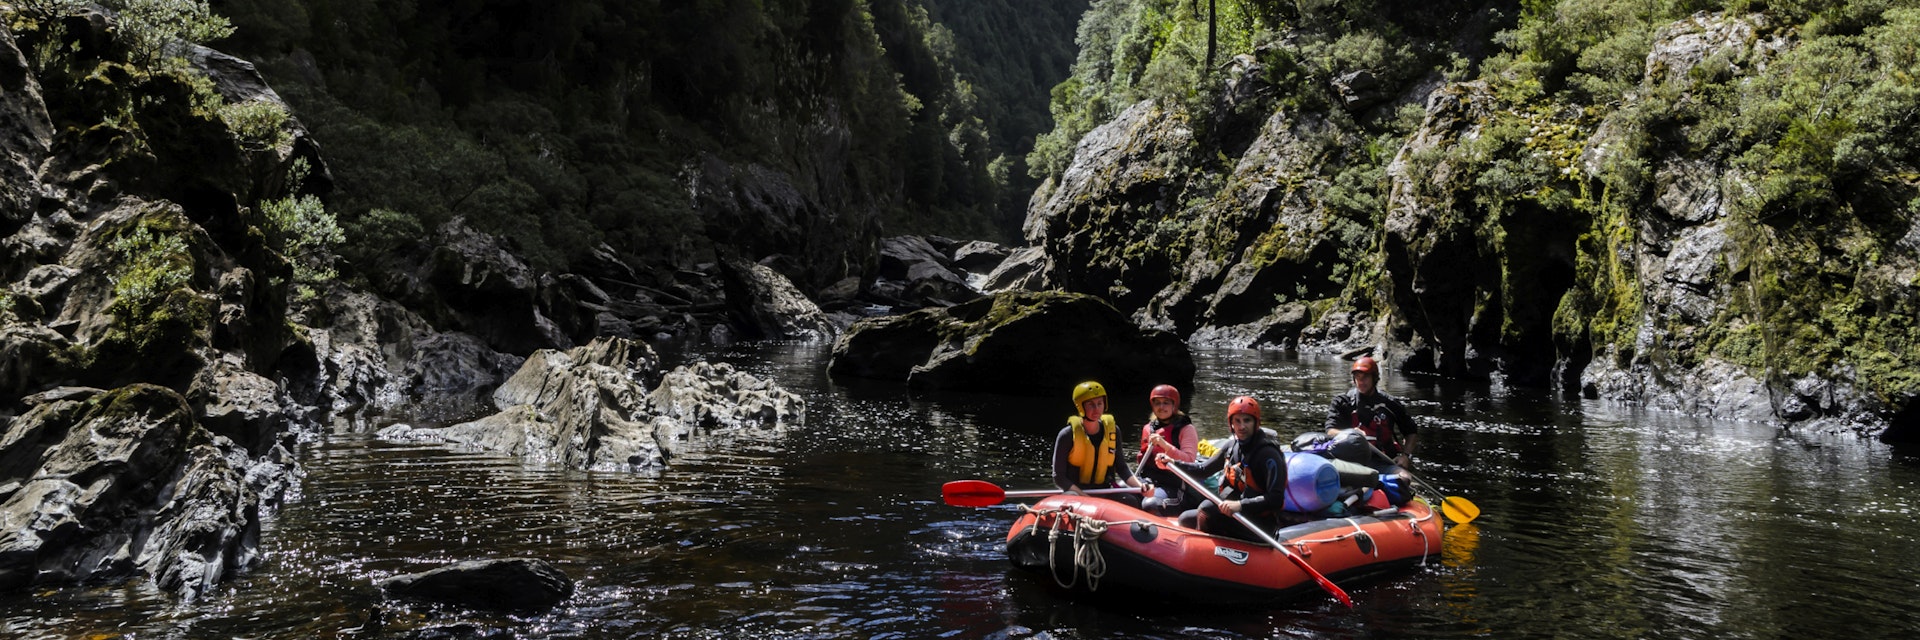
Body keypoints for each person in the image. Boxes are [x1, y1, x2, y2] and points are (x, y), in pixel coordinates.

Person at [1162, 396, 1286, 540]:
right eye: (1237, 421)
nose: (1241, 427)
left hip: (1260, 524)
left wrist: (1240, 505)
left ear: (1256, 423)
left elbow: (1276, 499)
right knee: (1185, 518)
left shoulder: (1268, 454)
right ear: (1231, 423)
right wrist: (1173, 463)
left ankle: (1204, 554)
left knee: (1207, 509)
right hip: (1236, 515)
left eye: (1247, 420)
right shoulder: (1231, 446)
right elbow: (1203, 470)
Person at [1324, 356, 1419, 488]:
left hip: (1382, 461)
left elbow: (1411, 432)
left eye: (1365, 378)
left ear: (1374, 378)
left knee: (1404, 478)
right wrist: (1349, 434)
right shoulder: (1342, 402)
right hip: (1349, 462)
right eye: (1357, 377)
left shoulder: (1390, 404)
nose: (1361, 382)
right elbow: (1330, 431)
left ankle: (1386, 487)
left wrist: (1405, 456)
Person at [1052, 381, 1143, 506]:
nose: (1097, 409)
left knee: (1132, 501)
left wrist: (1141, 487)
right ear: (1080, 407)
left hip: (1104, 489)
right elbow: (1059, 477)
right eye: (1091, 405)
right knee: (1073, 502)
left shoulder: (1113, 431)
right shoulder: (1067, 435)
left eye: (1100, 404)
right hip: (1077, 493)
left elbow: (1121, 468)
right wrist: (1085, 497)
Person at [1134, 384, 1200, 516]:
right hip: (1150, 480)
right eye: (1157, 403)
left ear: (1174, 405)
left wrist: (1165, 446)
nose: (1161, 407)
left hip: (1174, 485)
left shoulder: (1186, 429)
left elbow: (1189, 460)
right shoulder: (1148, 428)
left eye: (1166, 403)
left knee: (1150, 504)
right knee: (1120, 490)